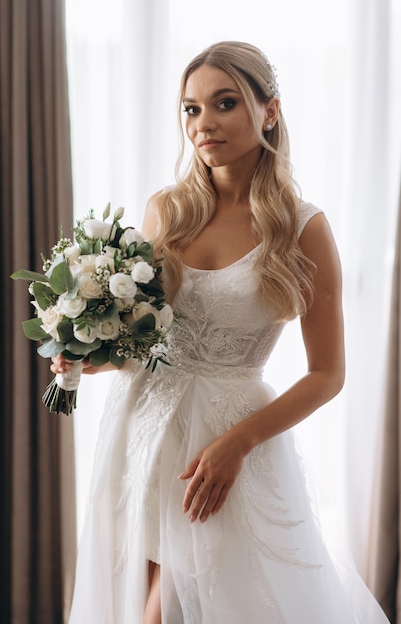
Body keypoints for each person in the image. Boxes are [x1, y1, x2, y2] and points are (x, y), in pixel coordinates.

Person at [52, 41, 389, 624]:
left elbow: (328, 375)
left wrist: (238, 444)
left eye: (224, 103)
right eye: (190, 108)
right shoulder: (167, 210)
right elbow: (149, 342)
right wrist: (94, 352)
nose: (203, 123)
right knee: (133, 605)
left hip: (227, 442)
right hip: (144, 428)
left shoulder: (303, 228)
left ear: (270, 111)